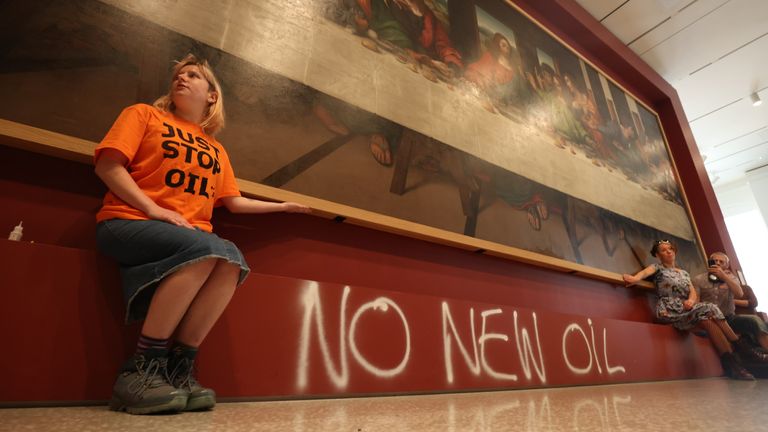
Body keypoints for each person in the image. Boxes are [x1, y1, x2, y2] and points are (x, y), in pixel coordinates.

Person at [94, 54, 310, 414]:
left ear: (212, 95)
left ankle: (178, 369)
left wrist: (283, 207)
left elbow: (234, 202)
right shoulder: (144, 115)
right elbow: (108, 165)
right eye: (178, 74)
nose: (182, 78)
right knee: (207, 249)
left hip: (189, 238)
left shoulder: (216, 149)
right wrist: (153, 208)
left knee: (231, 260)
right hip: (127, 222)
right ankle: (141, 370)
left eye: (193, 75)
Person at [622, 240, 754, 380]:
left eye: (671, 249)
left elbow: (692, 291)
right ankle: (741, 346)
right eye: (663, 250)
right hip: (668, 310)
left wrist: (691, 300)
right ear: (657, 255)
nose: (668, 251)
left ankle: (733, 366)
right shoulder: (657, 267)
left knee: (706, 319)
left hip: (685, 308)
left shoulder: (684, 273)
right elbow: (641, 275)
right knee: (710, 306)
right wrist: (633, 278)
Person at [692, 252, 768, 359]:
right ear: (709, 262)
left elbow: (739, 294)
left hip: (730, 318)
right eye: (715, 261)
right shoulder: (698, 279)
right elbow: (696, 301)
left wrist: (724, 277)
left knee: (754, 320)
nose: (717, 263)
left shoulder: (732, 278)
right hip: (711, 320)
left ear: (726, 265)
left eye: (721, 262)